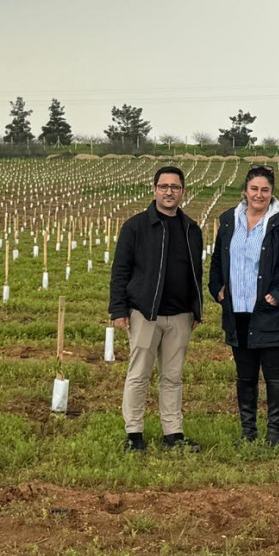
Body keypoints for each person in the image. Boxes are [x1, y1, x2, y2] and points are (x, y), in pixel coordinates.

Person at [209, 165, 279, 446]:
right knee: (245, 374)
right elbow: (218, 258)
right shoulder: (230, 219)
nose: (259, 194)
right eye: (254, 188)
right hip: (237, 309)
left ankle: (275, 431)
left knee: (274, 372)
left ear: (272, 192)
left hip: (269, 311)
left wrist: (278, 294)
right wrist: (216, 289)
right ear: (245, 190)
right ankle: (248, 430)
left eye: (265, 189)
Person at [109, 165, 204, 451]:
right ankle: (134, 433)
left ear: (182, 191)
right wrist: (119, 309)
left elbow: (195, 272)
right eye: (164, 186)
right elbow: (120, 270)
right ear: (154, 189)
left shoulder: (191, 229)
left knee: (173, 377)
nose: (169, 192)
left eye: (175, 187)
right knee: (139, 374)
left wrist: (196, 309)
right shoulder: (136, 226)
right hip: (144, 313)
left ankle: (173, 432)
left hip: (180, 315)